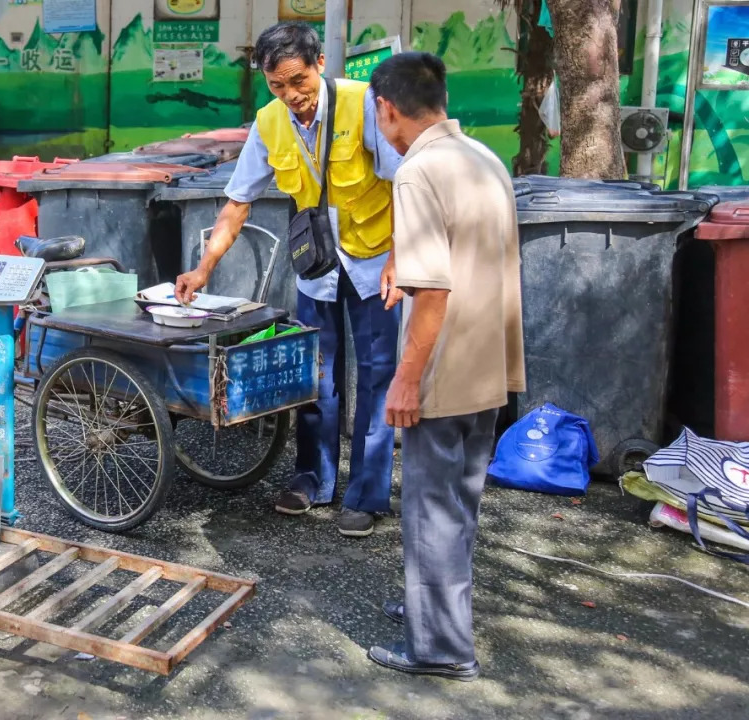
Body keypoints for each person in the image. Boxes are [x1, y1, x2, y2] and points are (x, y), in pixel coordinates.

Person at [174, 22, 404, 537]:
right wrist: (204, 267)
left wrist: (402, 258)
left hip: (374, 262)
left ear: (320, 63)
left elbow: (404, 180)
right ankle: (313, 479)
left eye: (297, 81)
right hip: (317, 266)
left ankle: (366, 494)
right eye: (277, 86)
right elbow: (238, 201)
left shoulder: (364, 103)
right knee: (314, 375)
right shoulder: (269, 122)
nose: (291, 96)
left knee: (375, 377)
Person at [365, 52, 526, 681]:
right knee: (459, 502)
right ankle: (434, 615)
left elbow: (432, 292)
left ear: (387, 107)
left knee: (431, 508)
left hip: (445, 367)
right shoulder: (483, 159)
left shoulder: (418, 172)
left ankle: (440, 651)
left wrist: (406, 379)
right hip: (490, 364)